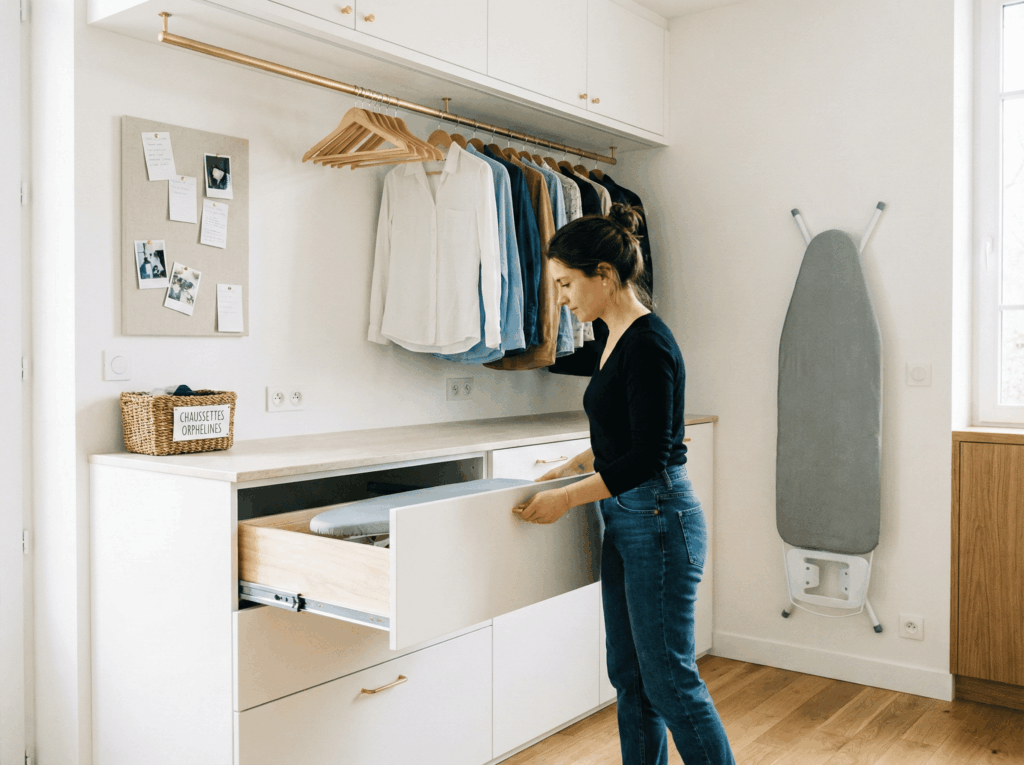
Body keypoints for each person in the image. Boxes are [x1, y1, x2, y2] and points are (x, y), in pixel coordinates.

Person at [512, 203, 736, 765]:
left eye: (567, 283)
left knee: (669, 682)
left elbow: (649, 456)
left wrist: (566, 497)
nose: (561, 297)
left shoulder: (649, 342)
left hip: (658, 518)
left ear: (604, 276)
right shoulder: (613, 336)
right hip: (630, 518)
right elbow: (628, 430)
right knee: (631, 675)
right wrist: (572, 464)